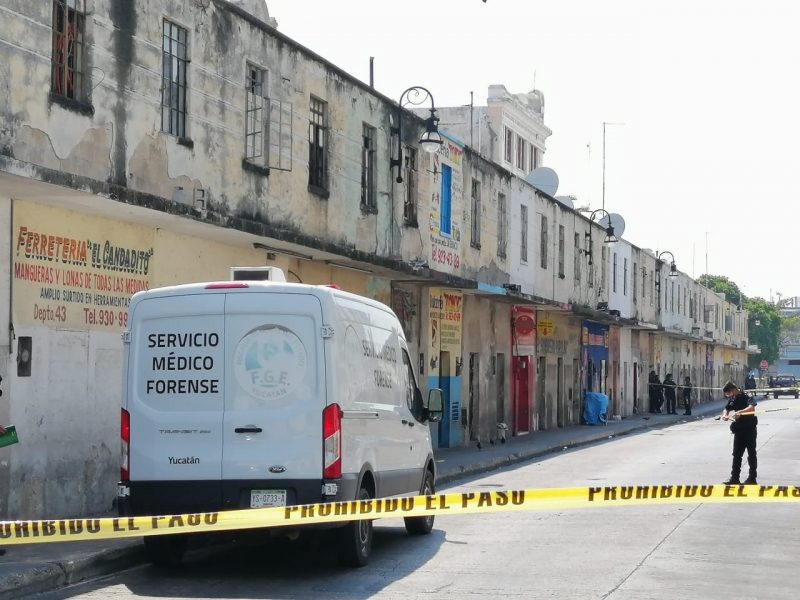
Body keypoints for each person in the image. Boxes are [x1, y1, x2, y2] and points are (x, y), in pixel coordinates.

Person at [722, 381, 758, 485]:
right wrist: (725, 415)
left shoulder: (746, 396)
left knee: (751, 453)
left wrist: (740, 412)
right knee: (736, 454)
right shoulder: (733, 399)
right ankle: (734, 478)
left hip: (749, 428)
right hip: (739, 429)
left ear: (733, 390)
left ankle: (752, 478)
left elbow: (752, 407)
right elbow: (727, 408)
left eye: (729, 393)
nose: (728, 396)